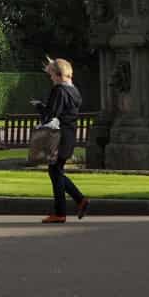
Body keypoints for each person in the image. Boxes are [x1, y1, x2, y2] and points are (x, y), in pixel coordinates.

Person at [36, 57, 89, 223]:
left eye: (51, 75)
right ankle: (79, 201)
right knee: (56, 170)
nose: (51, 78)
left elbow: (50, 115)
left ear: (59, 75)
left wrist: (39, 106)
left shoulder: (59, 90)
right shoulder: (75, 91)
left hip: (58, 136)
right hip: (70, 135)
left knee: (54, 170)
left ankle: (61, 212)